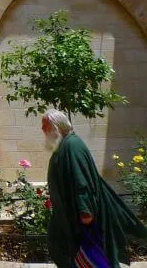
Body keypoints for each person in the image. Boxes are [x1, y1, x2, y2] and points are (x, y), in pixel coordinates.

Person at [43, 109, 147, 267]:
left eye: (45, 125)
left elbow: (81, 181)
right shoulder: (65, 145)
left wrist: (85, 211)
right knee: (61, 247)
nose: (42, 129)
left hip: (82, 219)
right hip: (68, 217)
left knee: (90, 257)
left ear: (56, 126)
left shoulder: (72, 146)